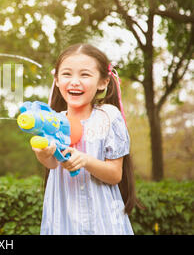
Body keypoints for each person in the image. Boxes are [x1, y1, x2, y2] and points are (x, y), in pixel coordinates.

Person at [32, 43, 142, 235]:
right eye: (67, 74)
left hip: (102, 220)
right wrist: (43, 154)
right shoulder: (53, 121)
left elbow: (115, 174)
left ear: (103, 82)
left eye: (85, 75)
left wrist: (85, 160)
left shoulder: (108, 117)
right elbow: (51, 164)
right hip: (63, 220)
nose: (75, 81)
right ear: (56, 80)